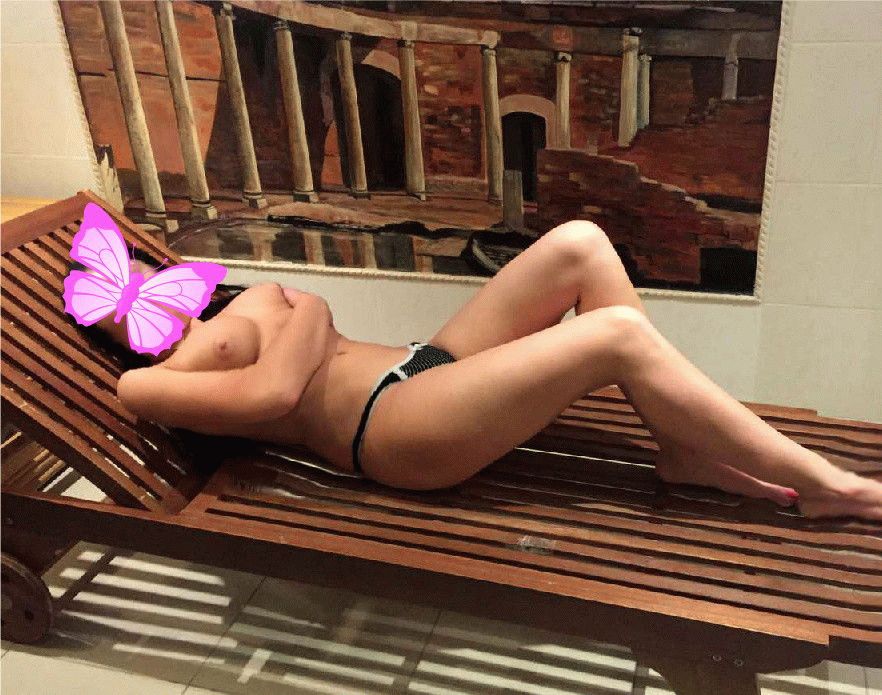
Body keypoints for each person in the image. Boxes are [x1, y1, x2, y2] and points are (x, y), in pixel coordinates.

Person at [83, 221, 882, 520]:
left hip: (423, 365)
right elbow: (278, 391)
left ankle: (682, 450)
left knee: (580, 244)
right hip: (390, 430)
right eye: (109, 295)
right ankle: (827, 484)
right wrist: (311, 312)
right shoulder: (145, 381)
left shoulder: (236, 301)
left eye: (134, 273)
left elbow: (291, 355)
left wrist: (304, 318)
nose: (134, 292)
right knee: (617, 336)